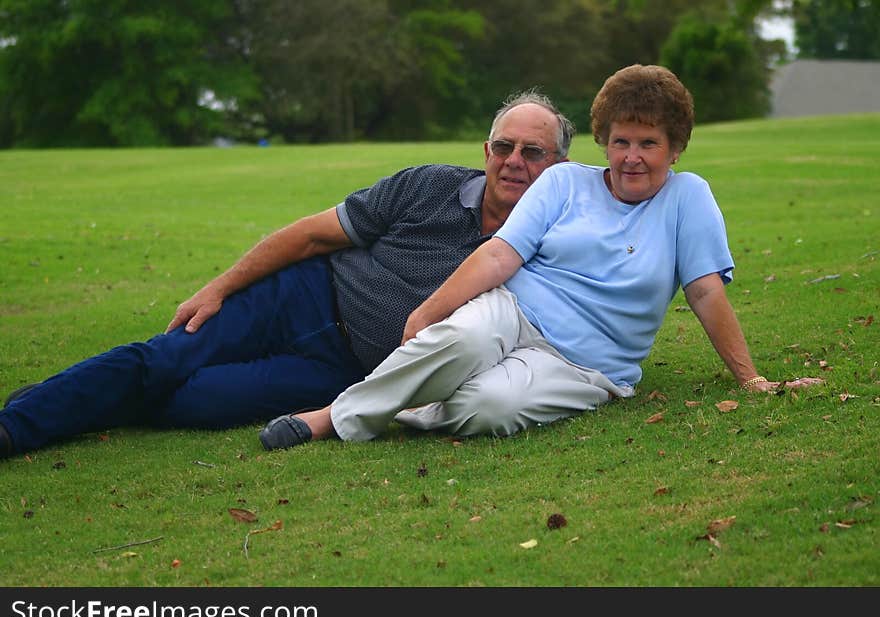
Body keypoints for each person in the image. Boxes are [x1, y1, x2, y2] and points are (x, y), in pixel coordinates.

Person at [260, 64, 824, 450]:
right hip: (513, 309)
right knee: (460, 339)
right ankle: (328, 420)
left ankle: (409, 410)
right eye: (621, 140)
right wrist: (431, 309)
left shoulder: (688, 198)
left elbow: (704, 290)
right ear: (604, 138)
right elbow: (501, 255)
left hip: (588, 363)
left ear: (675, 147)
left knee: (492, 408)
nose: (631, 157)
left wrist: (749, 379)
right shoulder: (562, 184)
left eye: (648, 143)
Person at [0, 91, 575, 459]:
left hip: (338, 371)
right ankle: (18, 426)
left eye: (533, 151)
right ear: (486, 150)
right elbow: (311, 234)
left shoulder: (549, 248)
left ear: (559, 166)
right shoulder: (429, 185)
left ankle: (72, 397)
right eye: (504, 147)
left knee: (195, 403)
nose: (514, 162)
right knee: (166, 359)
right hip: (302, 295)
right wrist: (220, 287)